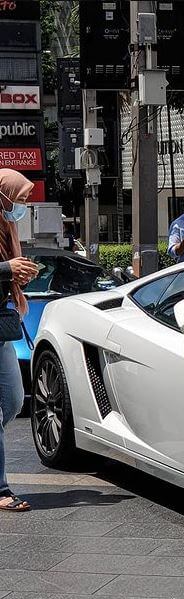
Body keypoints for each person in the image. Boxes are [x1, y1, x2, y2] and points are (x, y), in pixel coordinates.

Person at [0, 170, 40, 512]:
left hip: (1, 323)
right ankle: (1, 489)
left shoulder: (6, 226)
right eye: (20, 198)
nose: (22, 206)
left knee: (13, 401)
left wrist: (20, 272)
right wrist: (6, 268)